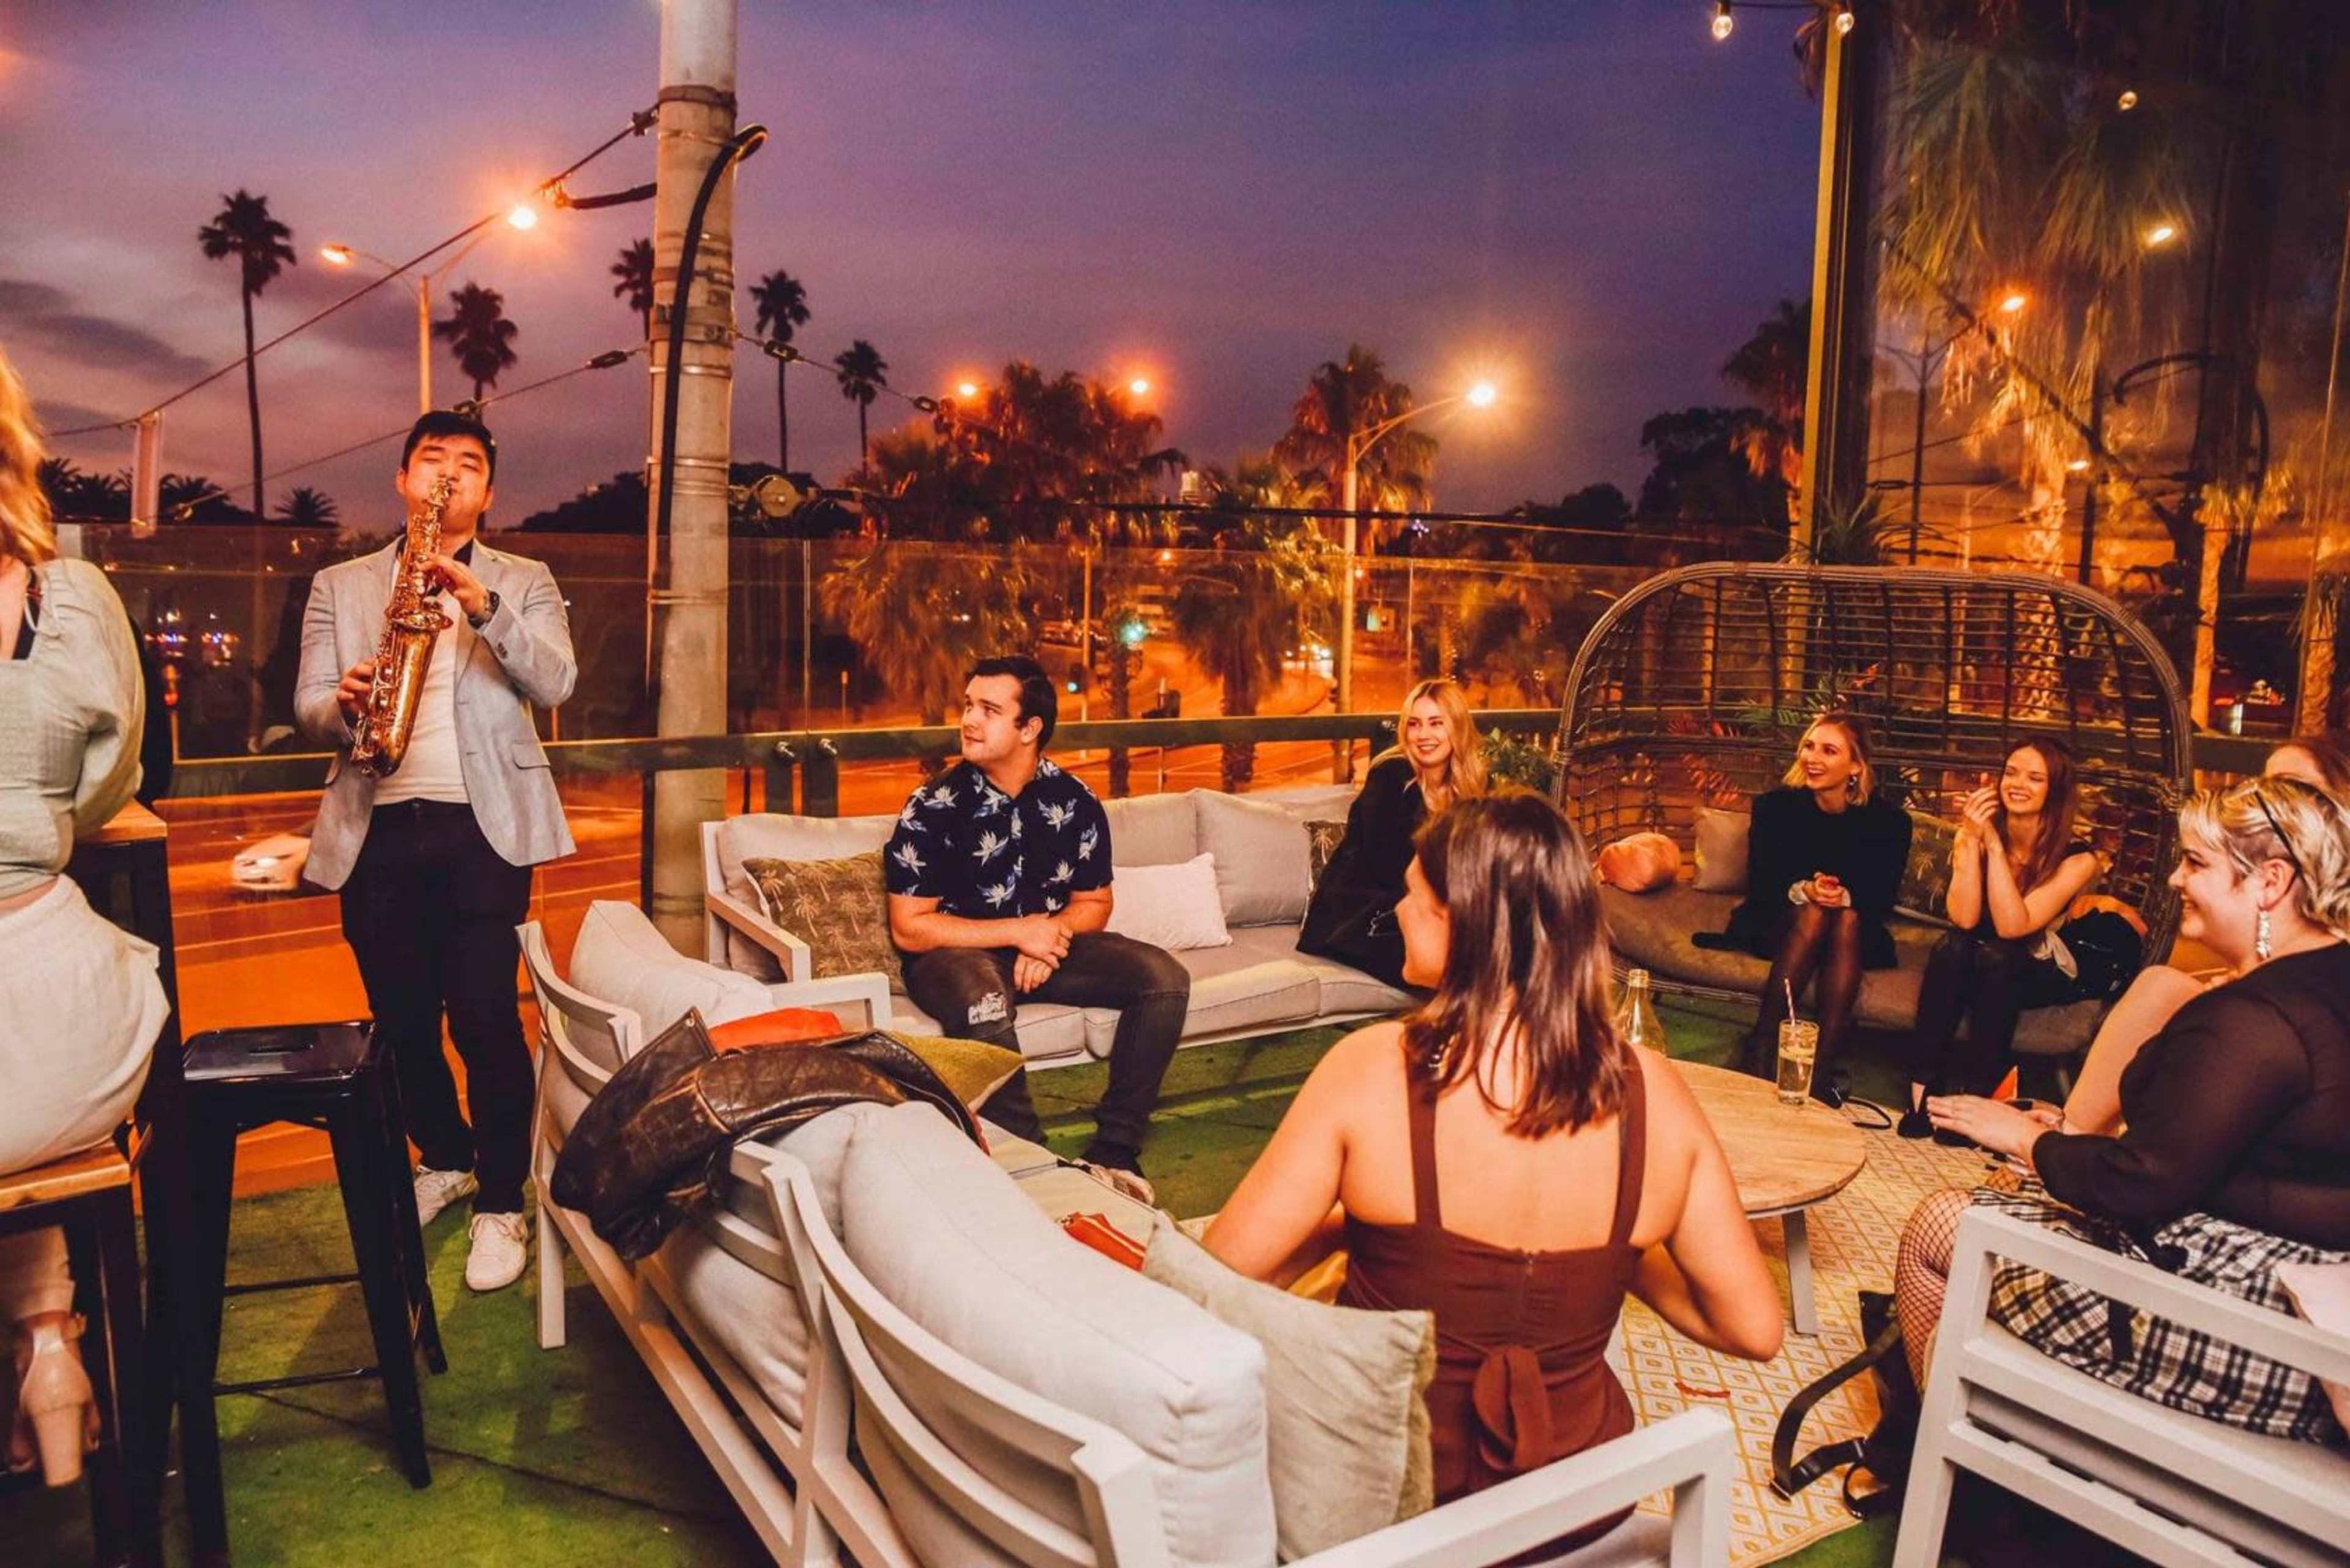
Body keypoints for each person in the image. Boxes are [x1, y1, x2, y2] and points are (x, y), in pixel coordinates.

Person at [1207, 793, 1782, 1553]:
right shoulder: (1655, 1093)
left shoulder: (1372, 1068)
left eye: (1414, 896)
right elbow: (1754, 1328)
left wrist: (1349, 1229)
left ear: (1463, 920)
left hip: (1392, 1521)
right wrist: (1618, 1254)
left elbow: (1215, 1281)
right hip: (1584, 1511)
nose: (1401, 912)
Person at [1900, 778, 2350, 1435]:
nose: (2174, 879)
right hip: (2313, 1287)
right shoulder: (2326, 977)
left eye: (2196, 864)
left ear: (2271, 882)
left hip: (2264, 1324)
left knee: (1941, 1224)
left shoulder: (2255, 1018)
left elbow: (2142, 1183)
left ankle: (1945, 1461)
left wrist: (2027, 1141)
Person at [294, 410, 576, 1293]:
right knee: (402, 1018)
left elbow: (557, 679)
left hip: (483, 829)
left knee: (486, 1015)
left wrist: (482, 606)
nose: (448, 476)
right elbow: (304, 703)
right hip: (377, 823)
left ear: (488, 492)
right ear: (403, 482)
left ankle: (502, 1195)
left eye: (467, 464)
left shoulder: (524, 579)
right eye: (431, 461)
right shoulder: (341, 584)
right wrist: (339, 701)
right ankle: (444, 1155)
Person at [0, 344, 170, 1484]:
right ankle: (50, 1338)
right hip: (62, 1022)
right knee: (39, 1127)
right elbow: (108, 783)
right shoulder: (69, 596)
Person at [885, 655, 1190, 1187]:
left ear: (1030, 730)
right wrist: (1021, 931)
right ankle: (1034, 1169)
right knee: (985, 1004)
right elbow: (911, 926)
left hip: (1046, 948)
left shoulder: (1074, 801)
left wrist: (1046, 939)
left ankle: (1115, 1153)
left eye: (989, 710)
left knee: (1164, 981)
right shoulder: (932, 805)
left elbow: (1095, 902)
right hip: (952, 956)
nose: (969, 720)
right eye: (968, 706)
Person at [2051, 733, 2349, 1139]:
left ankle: (2064, 1146)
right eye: (2264, 782)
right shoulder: (2265, 884)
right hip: (2272, 1023)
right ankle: (2069, 1138)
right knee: (2164, 985)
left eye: (2293, 787)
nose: (2268, 797)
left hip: (2316, 1043)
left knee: (2174, 995)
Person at [1698, 711, 1911, 1102]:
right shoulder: (1775, 807)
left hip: (1854, 930)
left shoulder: (1889, 822)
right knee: (1815, 915)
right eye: (1809, 746)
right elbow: (1763, 880)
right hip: (1780, 921)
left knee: (1846, 919)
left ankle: (1822, 1065)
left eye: (1829, 751)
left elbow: (1882, 894)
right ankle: (1763, 1047)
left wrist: (1844, 895)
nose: (1812, 758)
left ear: (1856, 766)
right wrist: (1805, 890)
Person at [1897, 740, 2102, 1138]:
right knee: (1953, 946)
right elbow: (1964, 917)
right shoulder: (1973, 835)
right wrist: (1972, 843)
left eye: (2035, 777)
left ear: (2055, 790)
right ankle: (1921, 1092)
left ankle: (1977, 1100)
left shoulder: (2078, 858)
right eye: (2011, 772)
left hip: (2037, 964)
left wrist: (1992, 843)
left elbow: (2014, 927)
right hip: (1975, 954)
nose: (2018, 784)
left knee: (1998, 955)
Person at [1298, 678, 1486, 988]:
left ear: (1457, 727)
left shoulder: (1473, 788)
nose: (1423, 735)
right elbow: (1388, 867)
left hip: (1428, 910)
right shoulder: (1390, 777)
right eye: (1414, 724)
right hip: (1363, 913)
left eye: (1436, 723)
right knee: (1459, 963)